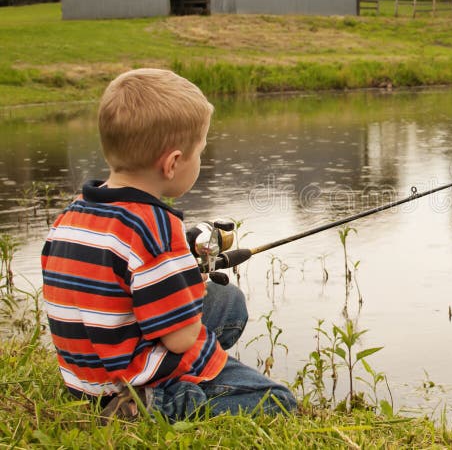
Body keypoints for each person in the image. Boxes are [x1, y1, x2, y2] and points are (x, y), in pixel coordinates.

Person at [41, 69, 296, 422]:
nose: (201, 161)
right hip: (125, 381)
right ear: (173, 163)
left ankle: (167, 388)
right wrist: (187, 277)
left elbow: (112, 283)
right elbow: (180, 339)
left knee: (230, 304)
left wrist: (179, 270)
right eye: (201, 152)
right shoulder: (155, 226)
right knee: (278, 402)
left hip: (84, 377)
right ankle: (154, 405)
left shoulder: (72, 215)